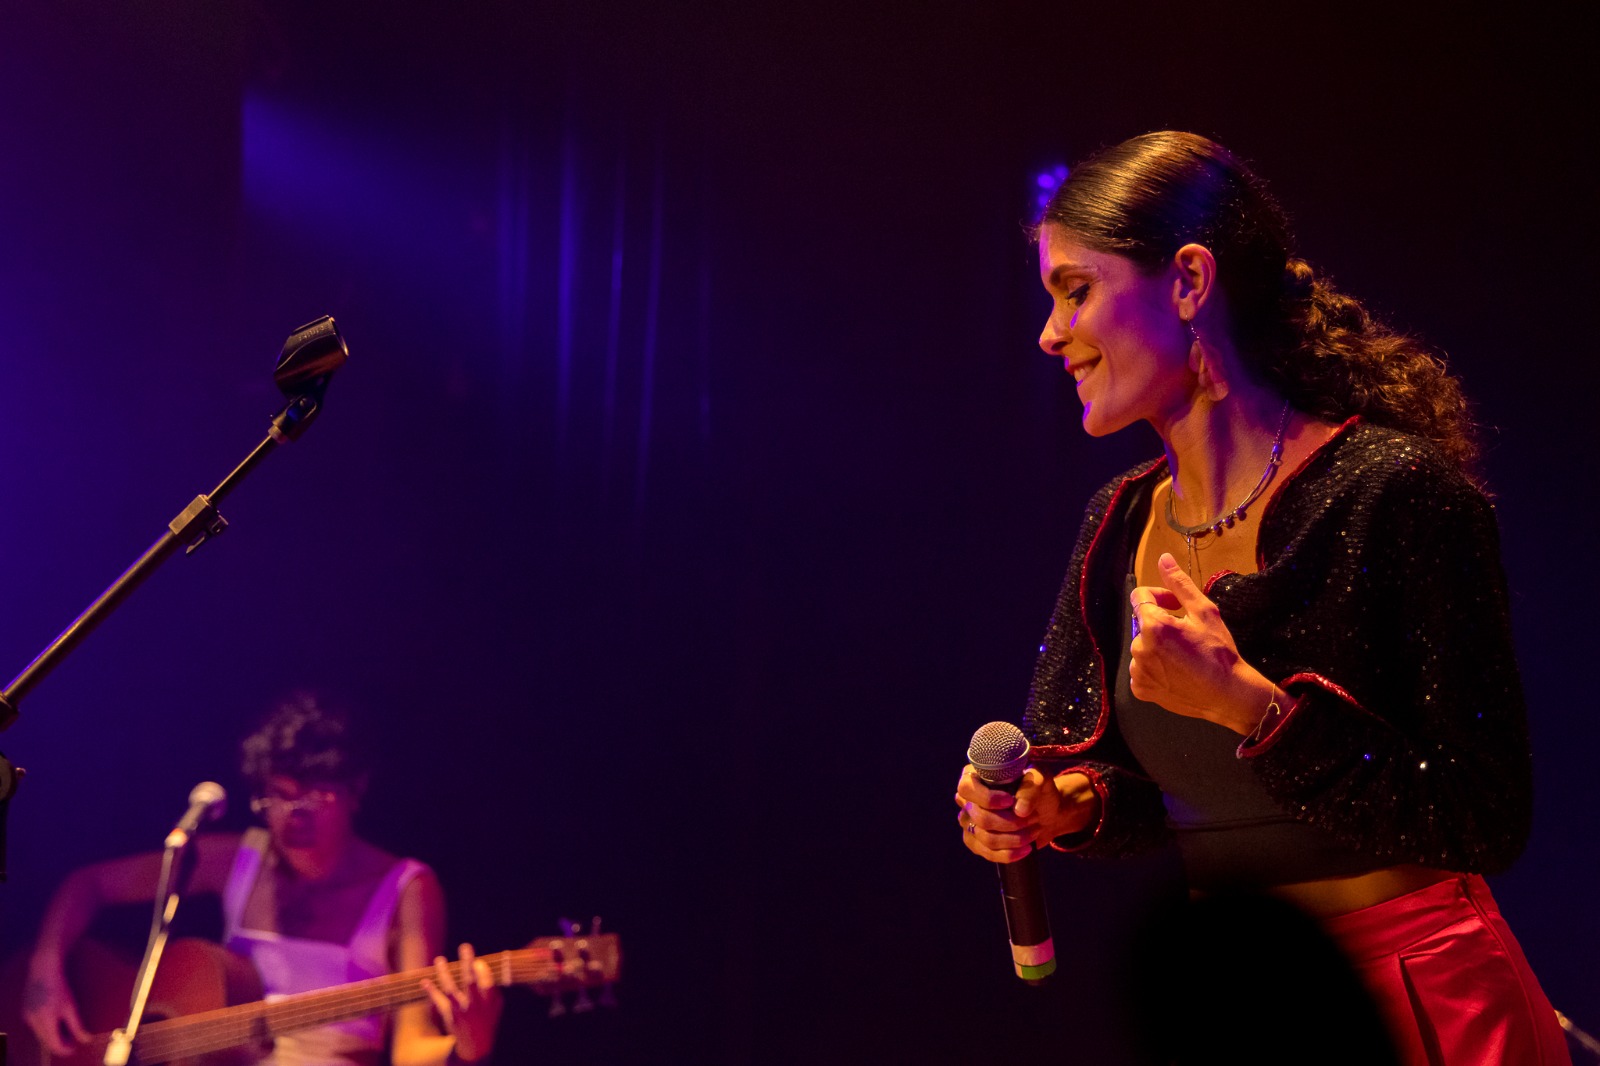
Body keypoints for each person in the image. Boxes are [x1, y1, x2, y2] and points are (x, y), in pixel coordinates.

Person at [952, 131, 1568, 1064]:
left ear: (1189, 281)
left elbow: (1482, 815)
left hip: (1417, 994)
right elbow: (1138, 785)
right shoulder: (1116, 521)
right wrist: (1060, 801)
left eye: (1076, 290)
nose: (1050, 332)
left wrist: (1254, 708)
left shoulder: (1392, 490)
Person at [23, 693, 502, 1066]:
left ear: (355, 792)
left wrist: (467, 1047)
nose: (294, 815)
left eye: (315, 796)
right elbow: (89, 884)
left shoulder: (406, 888)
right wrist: (44, 971)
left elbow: (411, 1050)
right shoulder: (237, 858)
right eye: (279, 795)